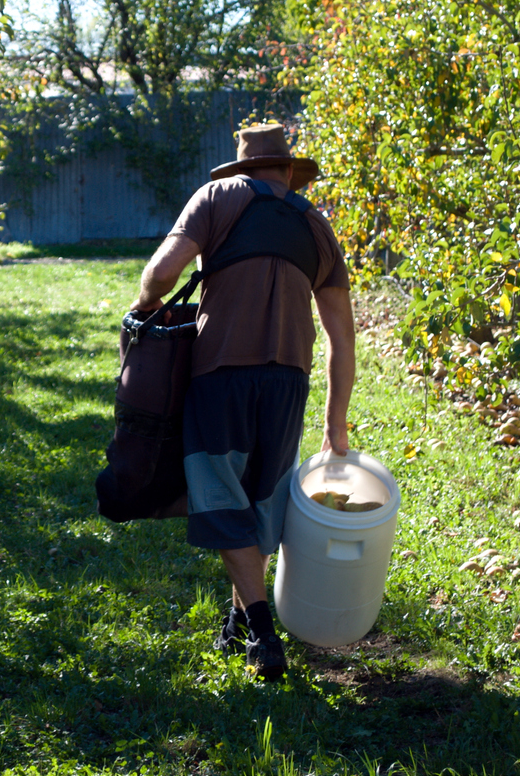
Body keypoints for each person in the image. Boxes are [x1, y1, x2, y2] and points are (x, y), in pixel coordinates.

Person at [129, 123, 356, 681]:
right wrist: (335, 426)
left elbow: (162, 272)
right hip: (288, 382)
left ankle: (261, 628)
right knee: (260, 500)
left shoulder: (216, 198)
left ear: (242, 167)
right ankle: (237, 622)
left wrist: (144, 304)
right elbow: (342, 336)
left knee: (219, 494)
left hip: (221, 373)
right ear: (287, 171)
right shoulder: (315, 222)